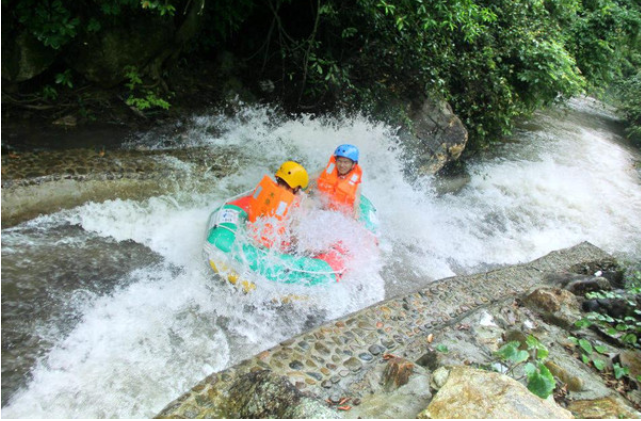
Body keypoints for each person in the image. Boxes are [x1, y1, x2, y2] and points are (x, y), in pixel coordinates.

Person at [244, 161, 309, 249]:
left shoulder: (266, 189)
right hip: (268, 248)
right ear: (296, 187)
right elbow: (295, 234)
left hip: (248, 234)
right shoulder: (292, 203)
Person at [310, 144, 363, 218]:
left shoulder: (356, 184)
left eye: (346, 162)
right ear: (335, 161)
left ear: (353, 164)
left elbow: (355, 205)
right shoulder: (326, 170)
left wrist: (355, 217)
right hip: (319, 206)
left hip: (338, 214)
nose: (341, 165)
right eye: (339, 161)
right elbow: (309, 179)